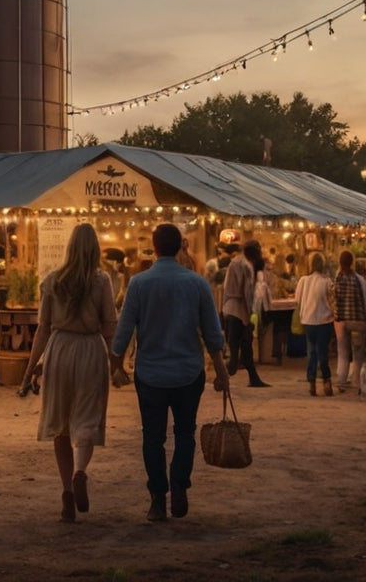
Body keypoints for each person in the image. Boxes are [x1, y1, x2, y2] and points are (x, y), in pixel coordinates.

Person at [110, 223, 228, 522]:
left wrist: (116, 365)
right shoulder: (197, 284)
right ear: (179, 247)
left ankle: (157, 499)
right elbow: (213, 333)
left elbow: (124, 330)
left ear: (155, 247)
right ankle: (179, 486)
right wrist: (221, 370)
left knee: (153, 437)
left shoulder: (139, 284)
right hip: (188, 371)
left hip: (150, 374)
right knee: (185, 432)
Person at [20, 223, 117, 523]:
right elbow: (110, 326)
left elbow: (42, 330)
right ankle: (80, 472)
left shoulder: (52, 281)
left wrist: (29, 370)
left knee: (60, 424)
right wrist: (116, 363)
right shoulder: (101, 281)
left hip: (59, 350)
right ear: (96, 249)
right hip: (90, 349)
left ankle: (67, 494)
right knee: (87, 418)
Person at [221, 241, 269, 387]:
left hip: (230, 308)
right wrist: (249, 314)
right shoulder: (245, 265)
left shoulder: (236, 262)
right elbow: (247, 292)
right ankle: (220, 378)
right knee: (236, 353)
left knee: (245, 348)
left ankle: (253, 378)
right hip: (238, 311)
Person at [295, 252, 336, 396]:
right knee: (323, 353)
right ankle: (327, 381)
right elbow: (332, 301)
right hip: (324, 321)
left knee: (311, 352)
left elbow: (297, 300)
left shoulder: (303, 281)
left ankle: (312, 382)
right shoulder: (327, 282)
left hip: (308, 321)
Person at [333, 250, 366, 390]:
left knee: (342, 353)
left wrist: (336, 318)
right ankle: (356, 382)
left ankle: (341, 381)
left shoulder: (338, 279)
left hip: (342, 321)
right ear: (352, 262)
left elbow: (335, 301)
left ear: (340, 262)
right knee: (358, 354)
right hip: (358, 322)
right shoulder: (359, 280)